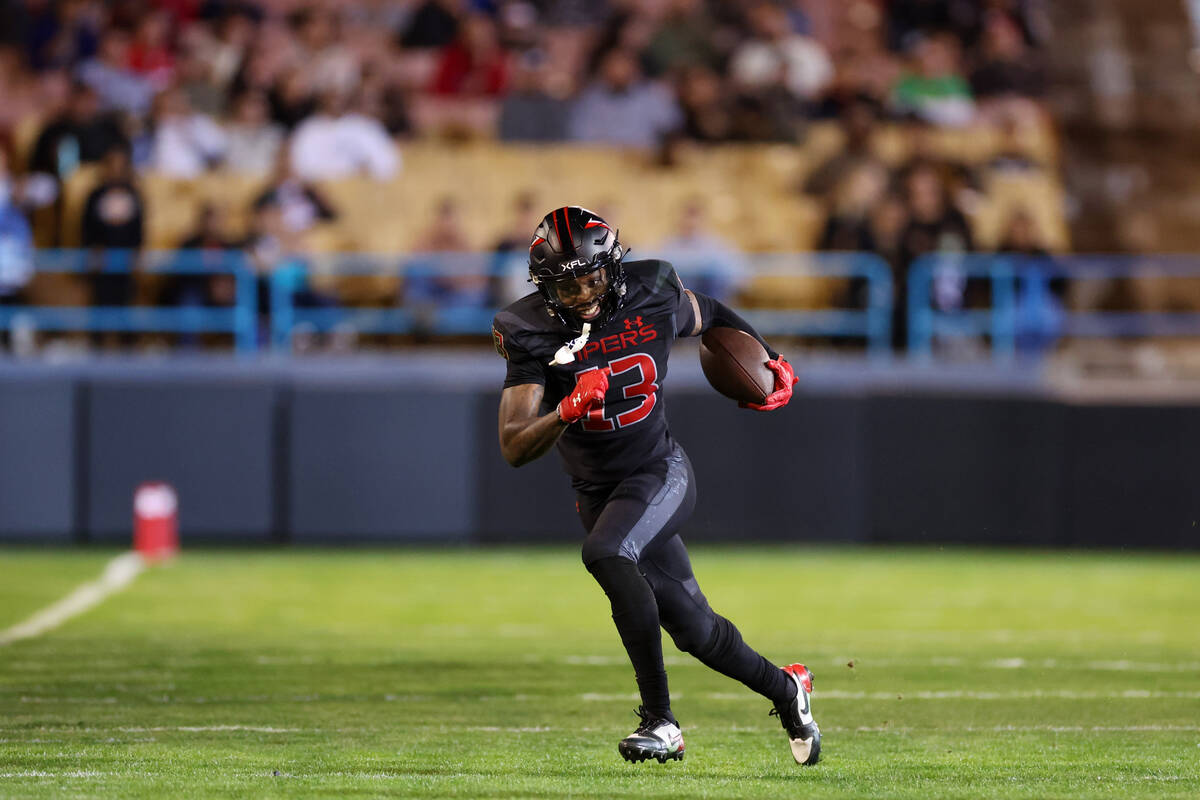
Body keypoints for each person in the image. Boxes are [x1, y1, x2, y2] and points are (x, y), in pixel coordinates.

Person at [491, 206, 820, 766]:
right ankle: (789, 692)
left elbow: (711, 312)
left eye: (593, 278)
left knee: (606, 552)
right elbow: (514, 444)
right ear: (545, 287)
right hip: (597, 492)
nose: (585, 295)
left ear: (613, 268)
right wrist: (565, 410)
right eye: (568, 287)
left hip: (658, 471)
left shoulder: (654, 288)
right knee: (696, 631)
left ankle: (661, 722)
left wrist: (766, 356)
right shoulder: (526, 329)